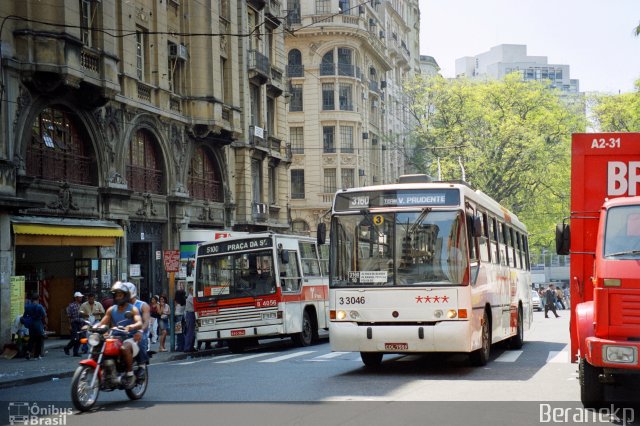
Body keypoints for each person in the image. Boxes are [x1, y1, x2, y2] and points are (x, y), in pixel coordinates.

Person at [97, 282, 143, 389]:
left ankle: (130, 374)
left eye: (120, 295)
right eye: (116, 295)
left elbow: (139, 322)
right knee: (100, 347)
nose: (118, 297)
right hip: (115, 337)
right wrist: (93, 327)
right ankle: (106, 373)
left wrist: (132, 327)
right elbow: (102, 323)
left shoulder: (132, 309)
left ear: (125, 296)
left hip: (130, 338)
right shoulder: (111, 309)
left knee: (124, 347)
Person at [124, 282, 151, 374]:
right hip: (124, 333)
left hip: (138, 333)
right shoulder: (121, 306)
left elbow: (146, 321)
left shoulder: (143, 305)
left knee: (141, 338)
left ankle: (142, 365)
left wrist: (140, 331)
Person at [22, 294, 46, 360]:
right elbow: (44, 315)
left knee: (31, 339)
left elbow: (24, 316)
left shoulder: (27, 306)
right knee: (39, 339)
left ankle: (28, 351)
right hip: (38, 324)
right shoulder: (39, 306)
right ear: (38, 299)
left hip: (31, 324)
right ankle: (36, 355)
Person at [64, 292, 84, 356]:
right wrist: (69, 325)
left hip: (80, 323)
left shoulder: (82, 305)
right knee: (75, 338)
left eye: (81, 297)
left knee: (80, 338)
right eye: (79, 297)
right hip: (74, 323)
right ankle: (67, 348)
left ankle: (75, 352)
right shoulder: (71, 306)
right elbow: (69, 316)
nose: (81, 298)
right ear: (76, 298)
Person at [183, 287, 196, 352]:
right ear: (190, 290)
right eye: (193, 290)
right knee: (190, 331)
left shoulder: (190, 297)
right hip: (190, 314)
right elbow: (195, 304)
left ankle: (190, 346)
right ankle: (187, 347)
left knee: (191, 331)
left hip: (191, 314)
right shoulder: (190, 297)